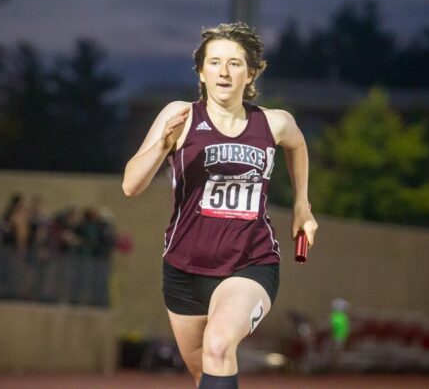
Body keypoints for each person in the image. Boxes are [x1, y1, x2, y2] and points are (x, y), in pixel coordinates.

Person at [122, 22, 318, 388]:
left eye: (234, 63)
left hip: (250, 263)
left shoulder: (274, 123)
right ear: (200, 71)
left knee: (218, 345)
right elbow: (131, 185)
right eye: (214, 62)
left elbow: (298, 145)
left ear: (251, 72)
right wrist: (163, 144)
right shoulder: (179, 116)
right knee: (205, 372)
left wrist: (302, 206)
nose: (224, 72)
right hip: (184, 269)